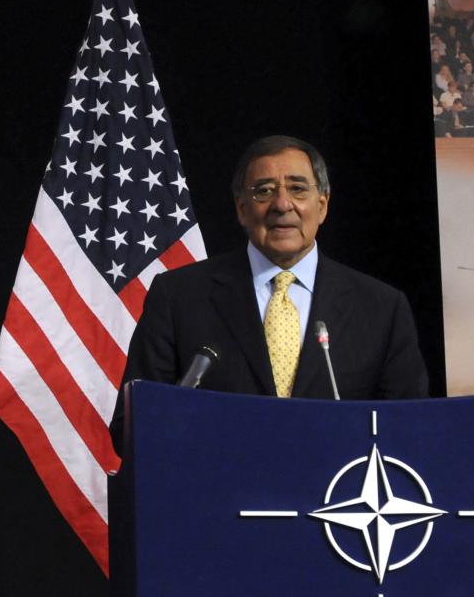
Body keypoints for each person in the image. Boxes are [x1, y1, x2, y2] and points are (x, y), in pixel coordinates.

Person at [111, 136, 428, 450]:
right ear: (241, 209)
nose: (282, 204)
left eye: (298, 188)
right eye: (263, 191)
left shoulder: (382, 308)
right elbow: (132, 427)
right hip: (219, 491)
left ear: (323, 205)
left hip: (338, 495)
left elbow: (409, 431)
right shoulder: (178, 297)